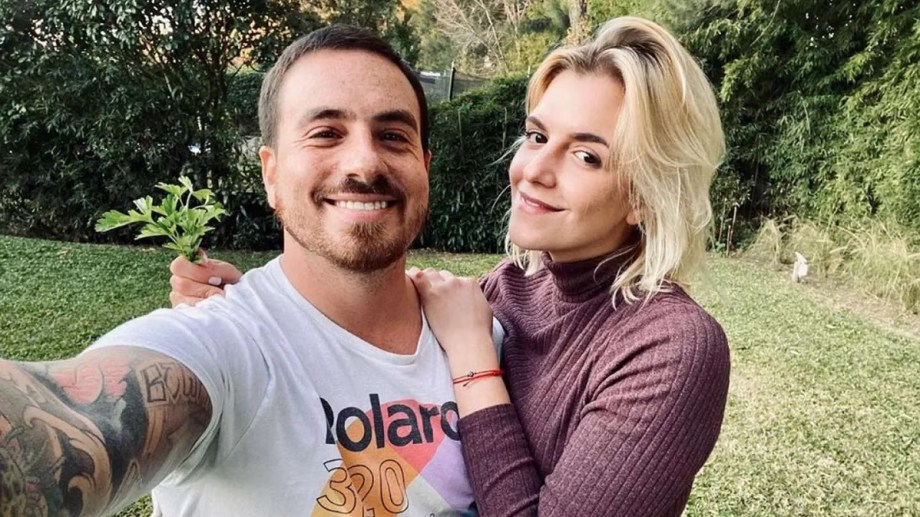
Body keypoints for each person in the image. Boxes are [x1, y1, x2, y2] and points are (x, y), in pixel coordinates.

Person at [171, 16, 731, 516]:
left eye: (587, 156)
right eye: (537, 136)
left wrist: (472, 357)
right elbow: (369, 307)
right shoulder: (507, 288)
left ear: (645, 194)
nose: (535, 170)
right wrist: (255, 308)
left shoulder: (671, 347)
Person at [0, 25, 498, 516]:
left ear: (425, 166)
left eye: (392, 136)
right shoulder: (224, 343)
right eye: (326, 134)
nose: (365, 164)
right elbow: (71, 414)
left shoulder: (484, 336)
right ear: (271, 173)